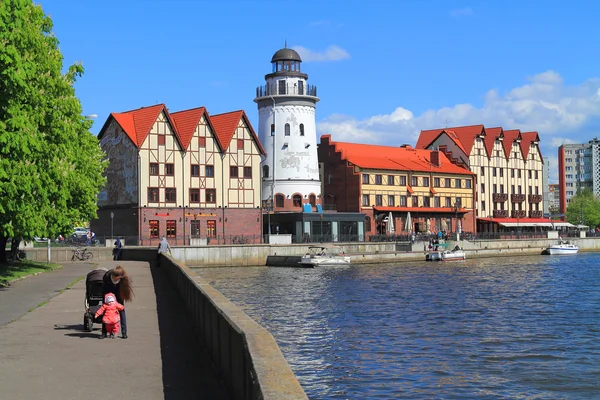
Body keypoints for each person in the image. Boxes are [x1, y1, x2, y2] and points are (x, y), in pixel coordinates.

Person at [101, 266, 134, 339]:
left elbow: (124, 289)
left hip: (119, 293)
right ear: (112, 276)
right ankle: (104, 332)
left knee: (122, 310)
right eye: (116, 278)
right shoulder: (106, 276)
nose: (117, 279)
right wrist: (107, 299)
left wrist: (119, 299)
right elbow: (104, 289)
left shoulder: (123, 278)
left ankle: (124, 332)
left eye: (119, 278)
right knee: (106, 311)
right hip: (108, 292)